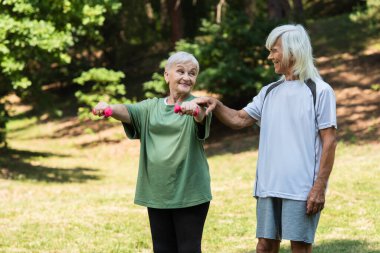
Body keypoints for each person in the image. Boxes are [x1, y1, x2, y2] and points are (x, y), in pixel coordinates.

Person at [193, 24, 337, 253]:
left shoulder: (319, 90)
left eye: (275, 50)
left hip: (301, 189)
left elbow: (329, 141)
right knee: (264, 247)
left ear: (292, 50)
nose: (270, 56)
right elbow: (240, 119)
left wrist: (319, 187)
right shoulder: (269, 91)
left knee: (300, 247)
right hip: (268, 186)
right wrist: (216, 105)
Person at [92, 51, 212, 253]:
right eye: (180, 71)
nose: (186, 77)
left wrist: (194, 110)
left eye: (192, 73)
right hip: (158, 193)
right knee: (162, 248)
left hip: (190, 192)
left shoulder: (198, 104)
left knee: (188, 249)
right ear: (167, 75)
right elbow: (127, 111)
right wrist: (109, 108)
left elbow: (201, 116)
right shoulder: (151, 108)